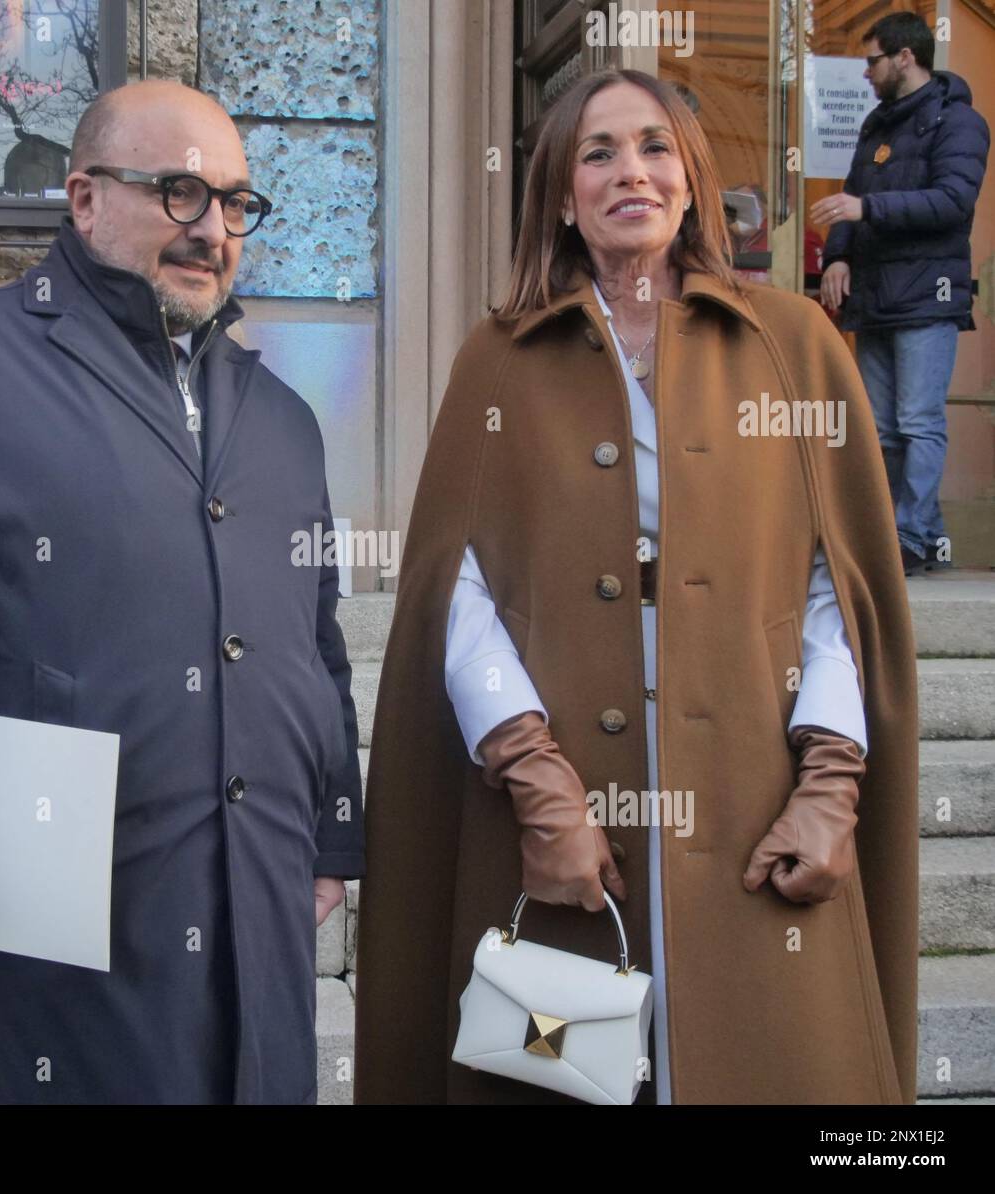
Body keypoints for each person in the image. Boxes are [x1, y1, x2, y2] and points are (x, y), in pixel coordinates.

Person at [354, 68, 918, 1105]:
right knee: (566, 1071)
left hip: (754, 780)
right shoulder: (499, 359)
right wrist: (535, 781)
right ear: (561, 196)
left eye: (655, 148)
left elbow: (834, 586)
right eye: (598, 153)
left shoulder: (793, 344)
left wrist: (830, 785)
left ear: (693, 179)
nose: (632, 174)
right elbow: (457, 595)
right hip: (566, 780)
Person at [0, 80, 365, 1104]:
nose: (212, 229)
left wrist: (329, 829)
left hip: (253, 905)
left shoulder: (282, 418)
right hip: (39, 924)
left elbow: (313, 637)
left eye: (235, 204)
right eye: (180, 192)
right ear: (85, 196)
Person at [816, 11, 989, 576]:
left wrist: (867, 211)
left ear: (905, 58)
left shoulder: (960, 123)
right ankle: (917, 535)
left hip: (928, 298)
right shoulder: (877, 125)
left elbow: (952, 203)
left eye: (872, 60)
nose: (865, 73)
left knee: (917, 423)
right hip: (876, 295)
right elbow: (851, 195)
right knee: (884, 428)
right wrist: (838, 255)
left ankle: (908, 537)